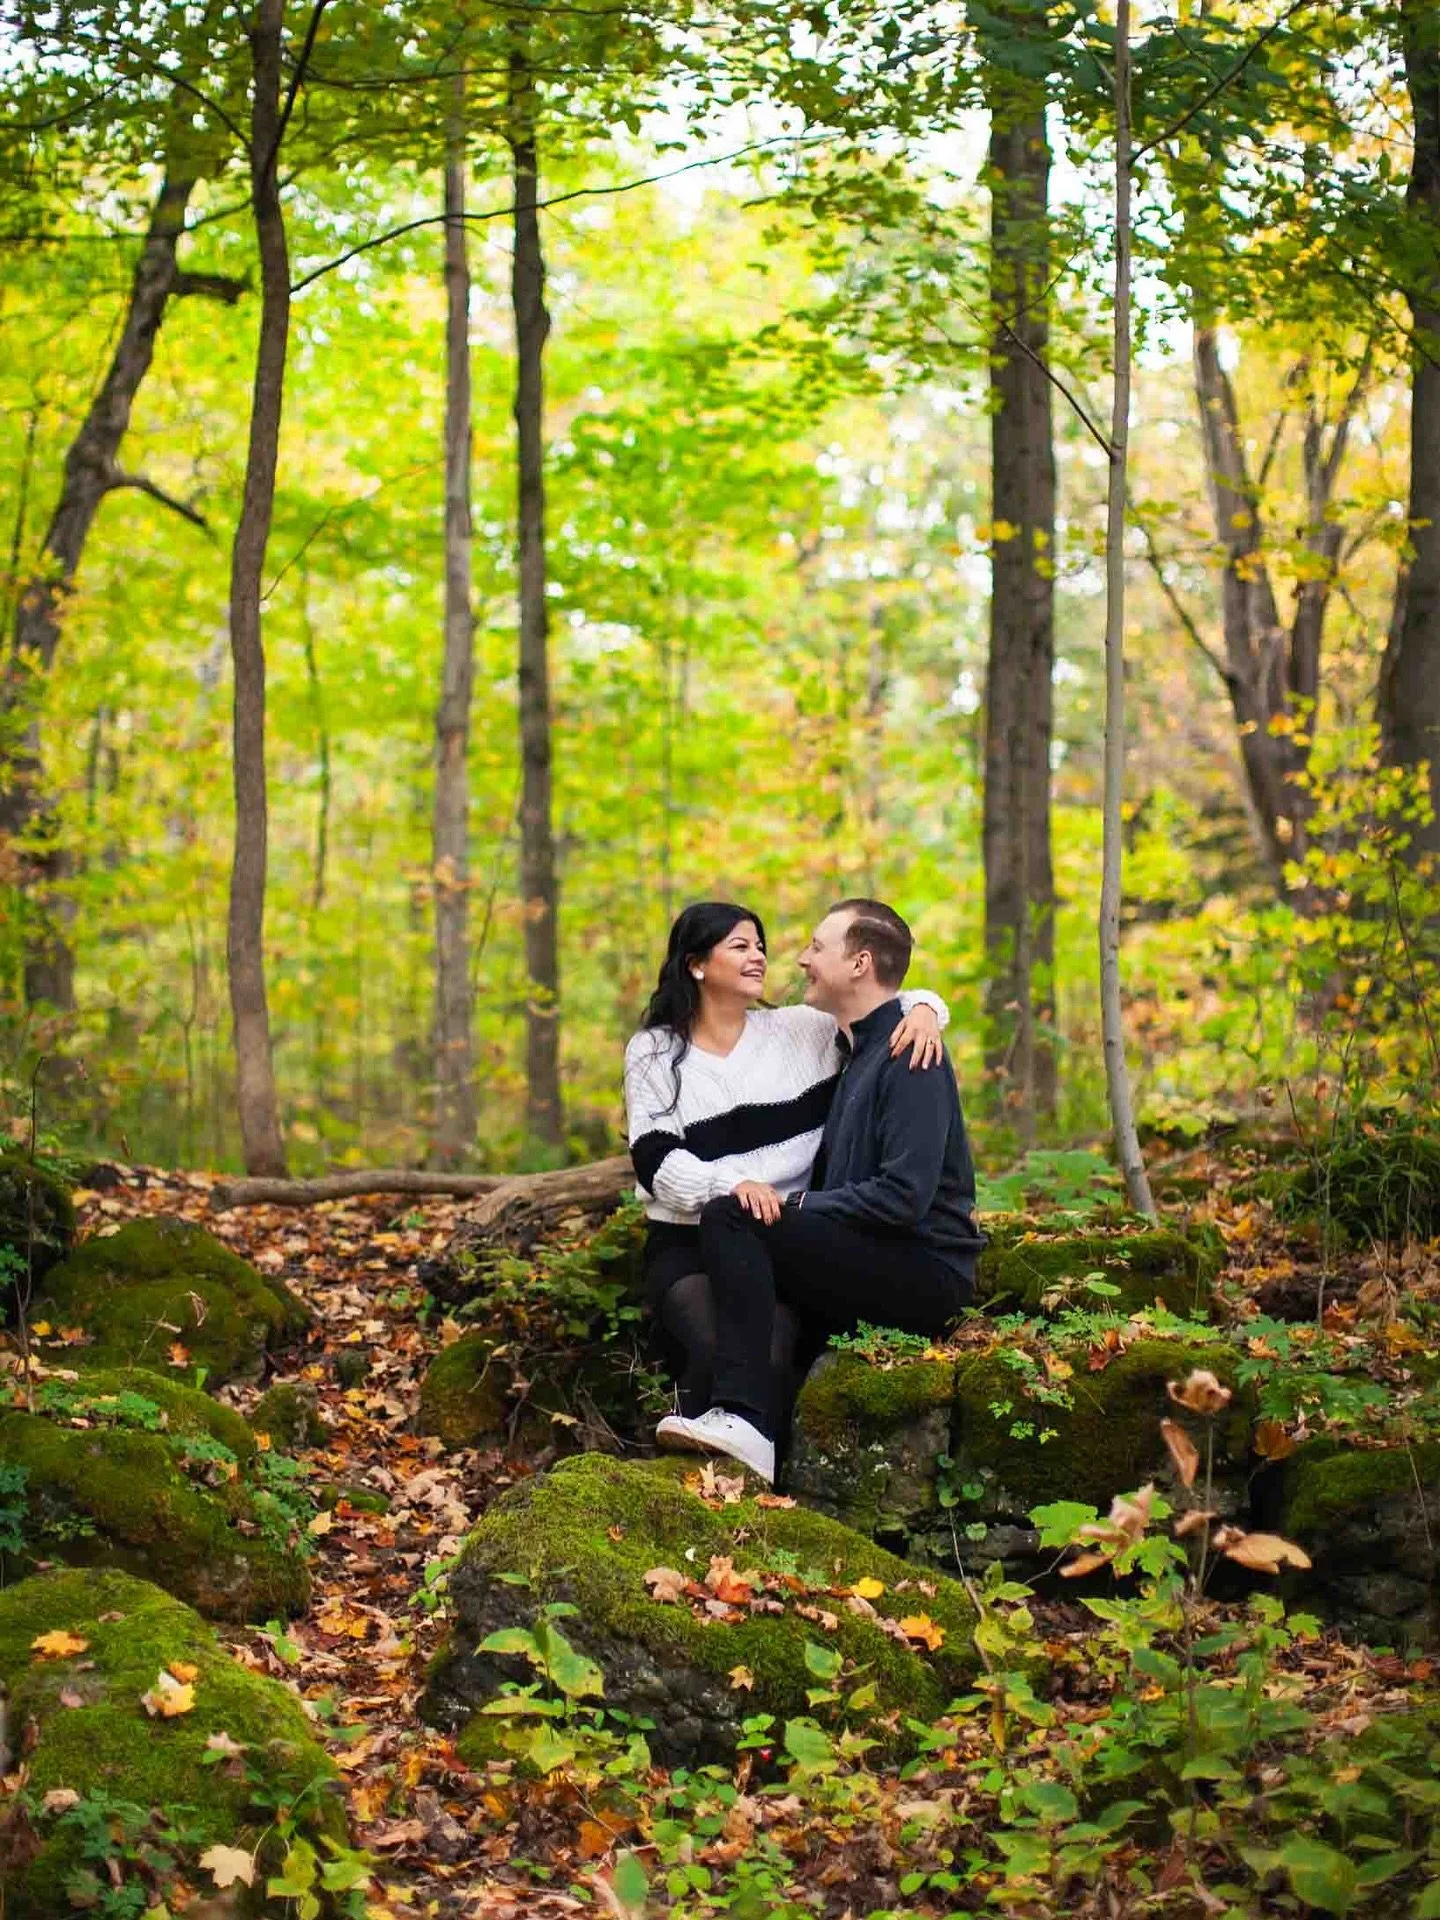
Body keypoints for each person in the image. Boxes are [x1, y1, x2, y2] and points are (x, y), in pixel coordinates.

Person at [655, 898, 983, 1484]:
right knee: (738, 1290)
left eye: (816, 946)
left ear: (858, 963)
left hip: (925, 1273)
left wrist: (796, 1207)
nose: (802, 958)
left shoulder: (912, 1057)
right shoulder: (855, 1050)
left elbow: (905, 1198)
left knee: (735, 1216)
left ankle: (748, 1421)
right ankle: (722, 1451)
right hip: (871, 1254)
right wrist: (927, 1004)